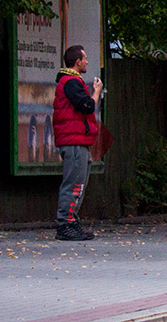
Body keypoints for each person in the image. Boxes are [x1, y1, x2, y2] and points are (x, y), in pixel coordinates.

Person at [52, 45, 102, 241]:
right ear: (77, 61)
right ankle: (65, 225)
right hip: (73, 140)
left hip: (78, 139)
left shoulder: (72, 81)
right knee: (73, 184)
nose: (87, 62)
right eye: (85, 58)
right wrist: (96, 91)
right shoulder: (71, 82)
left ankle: (71, 222)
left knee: (78, 184)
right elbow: (87, 106)